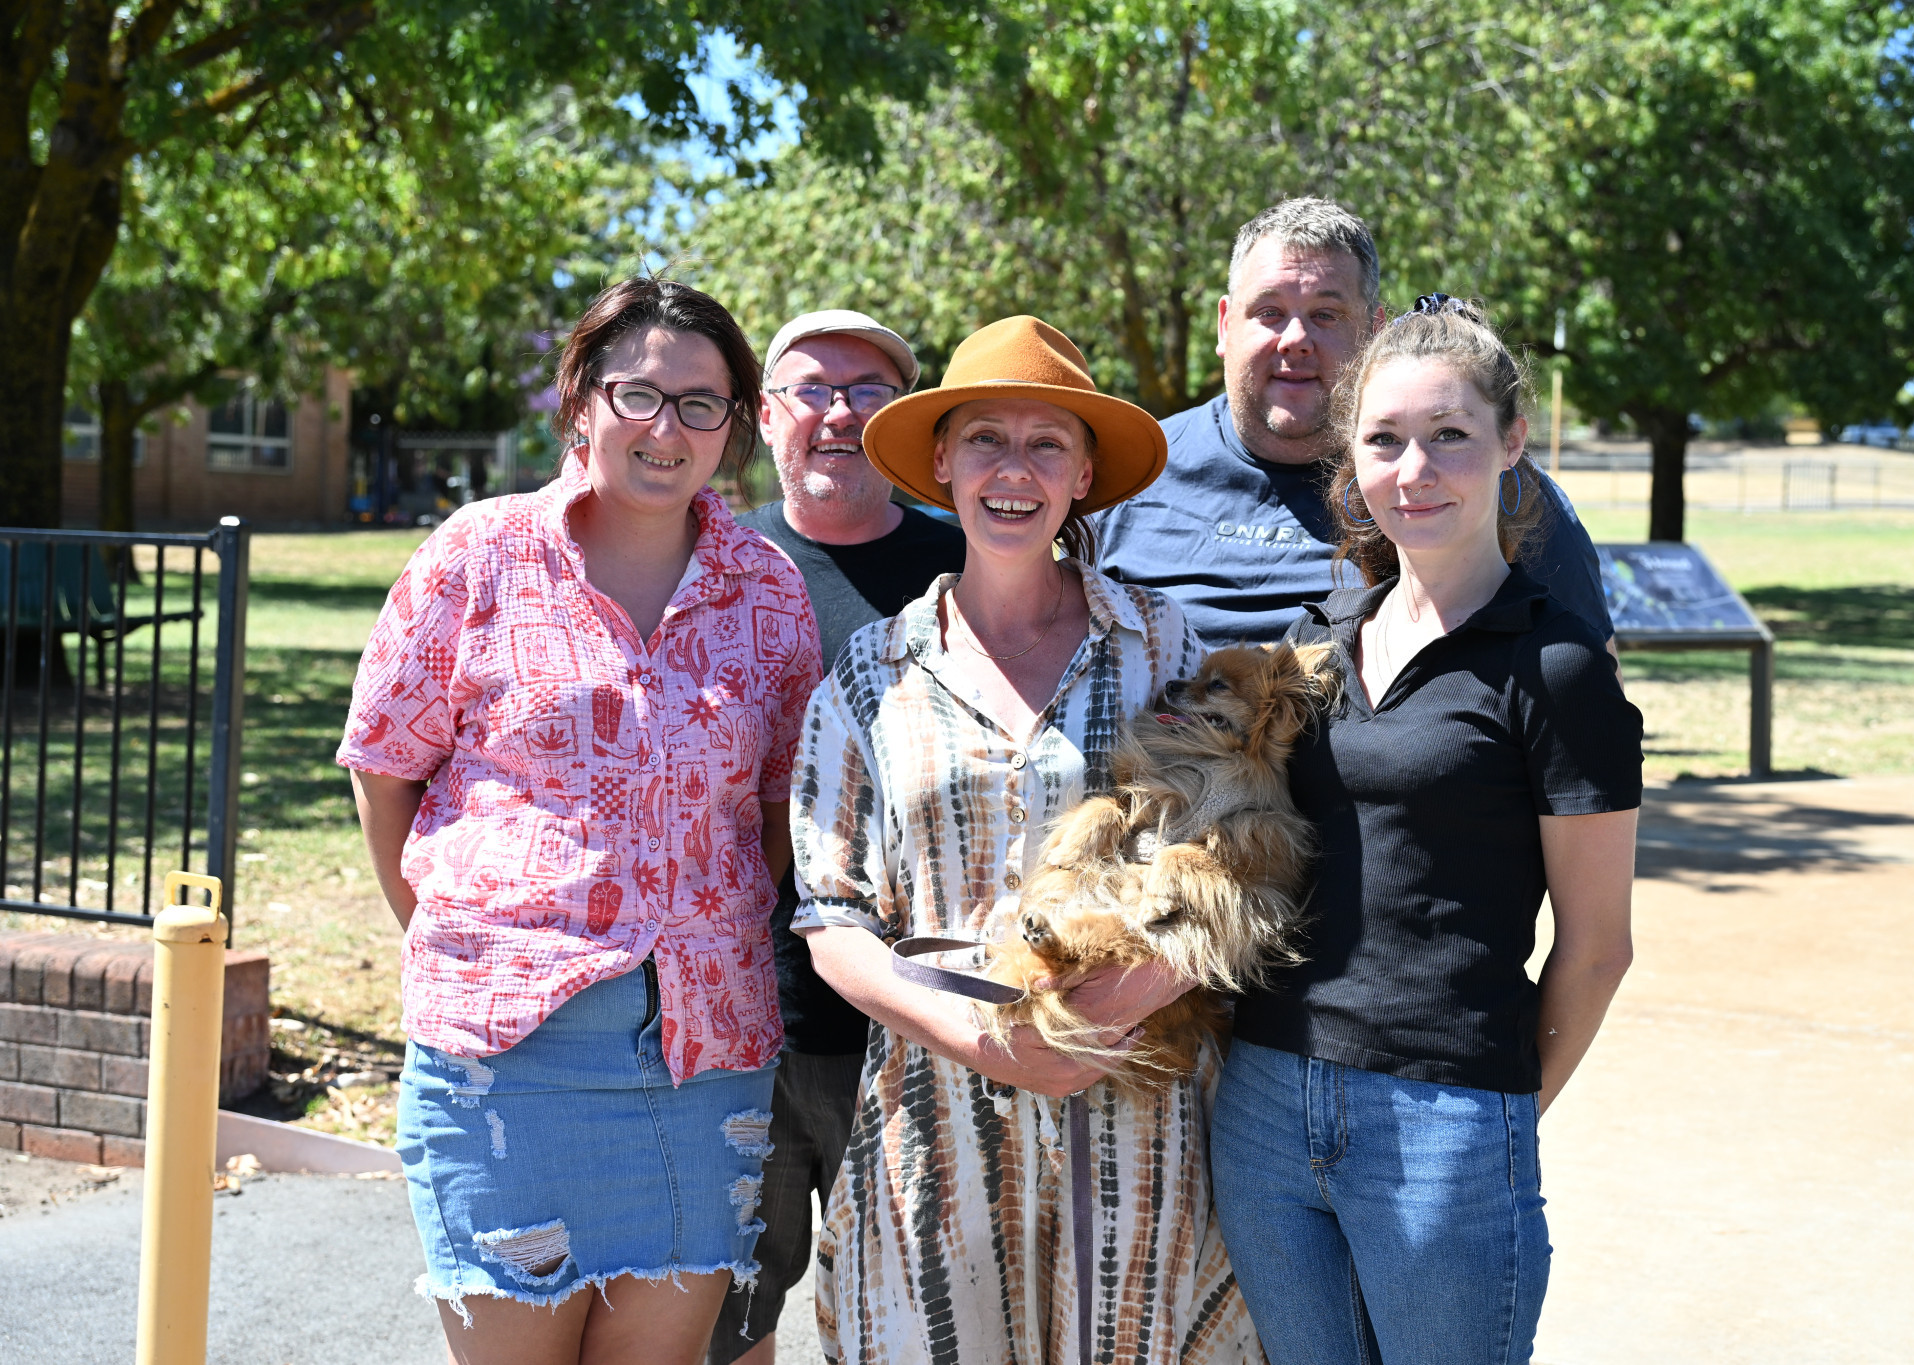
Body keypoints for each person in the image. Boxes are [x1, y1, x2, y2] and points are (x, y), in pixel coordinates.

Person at [337, 277, 822, 1365]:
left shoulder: (767, 589)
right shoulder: (479, 556)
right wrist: (450, 930)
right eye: (639, 394)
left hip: (705, 1056)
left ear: (734, 427)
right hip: (508, 1051)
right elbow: (383, 767)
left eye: (702, 404)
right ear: (582, 403)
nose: (668, 428)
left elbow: (776, 802)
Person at [790, 315, 1261, 1363]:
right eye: (985, 440)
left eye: (1046, 443)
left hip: (1135, 1100)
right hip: (933, 1109)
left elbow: (1234, 848)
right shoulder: (869, 675)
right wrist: (984, 1041)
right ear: (942, 463)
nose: (1014, 470)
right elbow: (831, 917)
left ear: (1084, 472)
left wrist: (1099, 1018)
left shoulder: (1164, 644)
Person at [1207, 296, 1642, 1364]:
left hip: (1443, 1121)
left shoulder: (1559, 670)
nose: (1415, 470)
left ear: (1511, 443)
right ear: (1348, 458)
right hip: (1261, 1099)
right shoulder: (1313, 644)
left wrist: (1494, 1121)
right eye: (1384, 440)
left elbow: (1596, 947)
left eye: (1449, 435)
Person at [709, 310, 966, 1365]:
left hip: (923, 1031)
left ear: (903, 419)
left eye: (867, 389)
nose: (837, 411)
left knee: (913, 1323)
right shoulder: (711, 561)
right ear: (765, 416)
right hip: (738, 1025)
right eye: (810, 388)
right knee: (726, 1322)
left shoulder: (969, 565)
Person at [1094, 197, 1615, 650]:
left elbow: (1588, 692)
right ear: (1225, 325)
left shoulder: (1479, 485)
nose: (1295, 338)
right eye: (1269, 312)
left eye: (1326, 314)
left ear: (1374, 331)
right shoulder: (1131, 471)